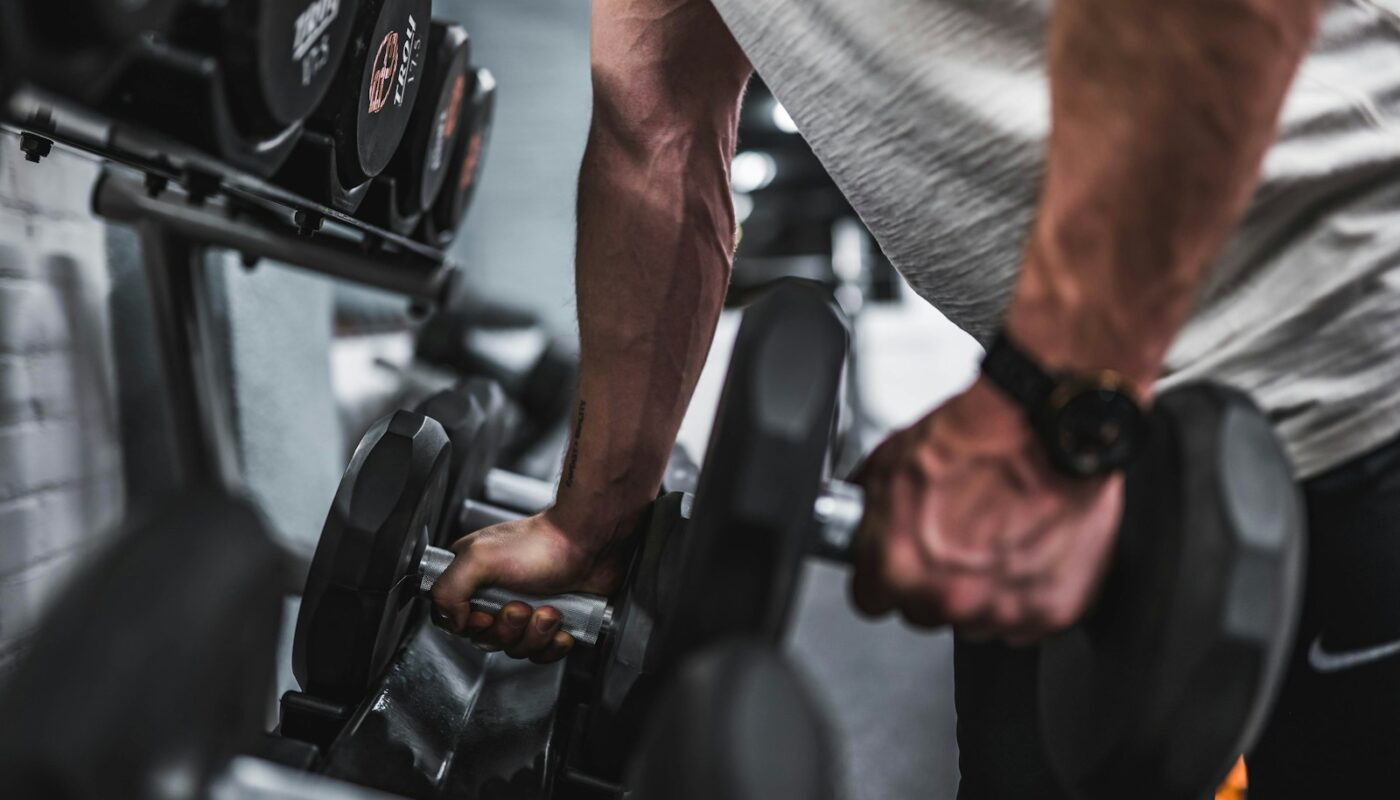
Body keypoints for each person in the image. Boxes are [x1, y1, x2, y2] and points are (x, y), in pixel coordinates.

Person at [433, 1, 1400, 796]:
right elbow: (656, 131)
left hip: (1352, 370)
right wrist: (595, 519)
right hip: (1100, 421)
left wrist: (1051, 411)